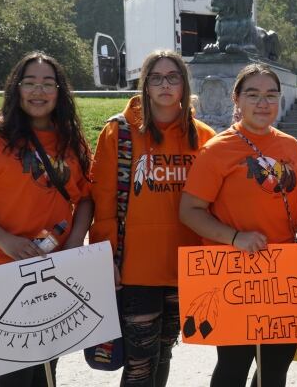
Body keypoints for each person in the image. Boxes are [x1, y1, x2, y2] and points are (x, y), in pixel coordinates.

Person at [0, 51, 93, 387]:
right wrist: (5, 240)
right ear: (16, 88)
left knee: (47, 374)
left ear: (59, 91)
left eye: (48, 84)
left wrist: (76, 241)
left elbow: (85, 199)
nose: (39, 92)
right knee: (13, 379)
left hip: (52, 272)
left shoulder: (71, 139)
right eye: (30, 83)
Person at [89, 51, 215, 386]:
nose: (165, 84)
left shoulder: (204, 137)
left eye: (173, 77)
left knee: (164, 353)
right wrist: (104, 258)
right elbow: (102, 203)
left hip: (184, 266)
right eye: (156, 77)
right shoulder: (118, 133)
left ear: (184, 84)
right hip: (135, 269)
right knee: (139, 363)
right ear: (144, 84)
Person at [180, 63, 297, 387]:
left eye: (270, 95)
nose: (262, 103)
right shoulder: (217, 149)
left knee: (276, 366)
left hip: (282, 273)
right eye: (253, 95)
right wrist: (235, 237)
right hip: (234, 271)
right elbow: (190, 211)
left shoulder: (291, 147)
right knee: (234, 365)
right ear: (237, 99)